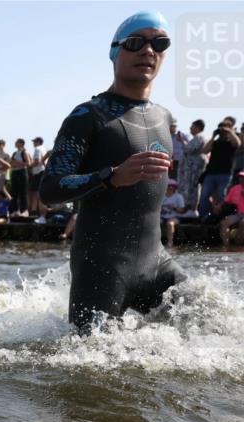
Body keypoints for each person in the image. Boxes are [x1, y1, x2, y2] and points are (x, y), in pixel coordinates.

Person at [40, 10, 185, 331]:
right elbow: (50, 189)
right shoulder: (87, 116)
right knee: (89, 366)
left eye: (159, 43)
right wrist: (112, 176)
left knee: (211, 317)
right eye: (136, 42)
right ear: (115, 51)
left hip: (157, 263)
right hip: (102, 270)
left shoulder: (165, 118)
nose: (148, 50)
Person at [199, 118, 241, 218]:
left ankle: (220, 217)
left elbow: (238, 144)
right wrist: (213, 136)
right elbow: (205, 150)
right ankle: (204, 217)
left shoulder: (231, 142)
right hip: (211, 173)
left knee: (221, 196)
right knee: (204, 196)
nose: (222, 130)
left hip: (225, 173)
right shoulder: (215, 142)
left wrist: (230, 132)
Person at [176, 119, 206, 214]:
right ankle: (189, 209)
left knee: (193, 188)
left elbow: (189, 149)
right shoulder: (197, 137)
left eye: (192, 126)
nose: (190, 128)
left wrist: (181, 141)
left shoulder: (199, 136)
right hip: (191, 168)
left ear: (198, 127)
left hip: (194, 168)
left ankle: (192, 209)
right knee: (190, 188)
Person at [217, 171, 244, 249]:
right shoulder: (235, 188)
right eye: (240, 177)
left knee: (243, 223)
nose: (241, 179)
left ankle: (238, 245)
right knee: (223, 223)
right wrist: (219, 206)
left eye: (243, 177)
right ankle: (226, 246)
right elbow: (226, 200)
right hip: (238, 214)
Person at [160, 178, 185, 248]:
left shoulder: (179, 197)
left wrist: (174, 208)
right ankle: (155, 242)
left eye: (172, 186)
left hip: (175, 217)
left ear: (175, 188)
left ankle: (170, 242)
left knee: (170, 224)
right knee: (156, 223)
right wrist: (161, 209)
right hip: (162, 216)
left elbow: (182, 210)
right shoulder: (161, 196)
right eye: (168, 186)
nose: (170, 188)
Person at [9, 139, 31, 215]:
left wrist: (17, 162)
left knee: (23, 192)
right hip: (15, 172)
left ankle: (24, 210)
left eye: (17, 142)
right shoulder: (14, 153)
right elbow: (11, 163)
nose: (15, 143)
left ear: (21, 143)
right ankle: (15, 210)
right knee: (14, 192)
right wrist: (14, 163)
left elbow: (28, 163)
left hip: (22, 172)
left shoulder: (24, 152)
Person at [28, 137, 47, 216]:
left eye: (34, 141)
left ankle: (34, 211)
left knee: (35, 193)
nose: (33, 143)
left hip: (39, 173)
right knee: (39, 192)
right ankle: (37, 211)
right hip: (43, 171)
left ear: (38, 142)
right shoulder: (44, 149)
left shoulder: (37, 149)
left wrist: (29, 166)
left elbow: (37, 161)